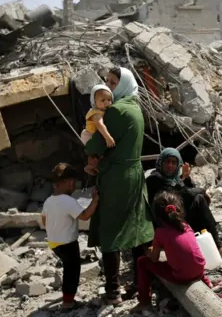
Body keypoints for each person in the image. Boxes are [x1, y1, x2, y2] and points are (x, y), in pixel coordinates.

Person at [85, 66, 153, 305]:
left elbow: (94, 146)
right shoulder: (136, 108)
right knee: (135, 229)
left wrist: (91, 155)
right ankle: (140, 283)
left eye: (113, 83)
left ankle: (113, 291)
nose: (109, 88)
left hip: (116, 177)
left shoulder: (115, 111)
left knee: (110, 230)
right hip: (135, 173)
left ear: (123, 83)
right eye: (107, 82)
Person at [132, 191, 212, 312]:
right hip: (200, 270)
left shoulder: (160, 232)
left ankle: (144, 301)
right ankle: (207, 281)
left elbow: (153, 259)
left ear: (157, 215)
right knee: (190, 258)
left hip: (182, 277)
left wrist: (149, 251)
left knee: (142, 262)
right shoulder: (186, 225)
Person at [146, 148, 222, 259]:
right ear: (161, 162)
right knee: (199, 197)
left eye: (174, 162)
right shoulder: (154, 179)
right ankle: (216, 245)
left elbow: (188, 192)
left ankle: (217, 245)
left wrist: (185, 178)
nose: (170, 165)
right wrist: (200, 189)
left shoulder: (175, 179)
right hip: (166, 220)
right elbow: (177, 194)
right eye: (167, 161)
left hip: (180, 215)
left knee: (199, 200)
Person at [40, 163, 99, 310]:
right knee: (72, 271)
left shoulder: (49, 200)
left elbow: (43, 220)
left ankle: (67, 296)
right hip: (68, 243)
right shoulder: (68, 201)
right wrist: (95, 201)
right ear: (70, 182)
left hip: (54, 243)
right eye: (73, 183)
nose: (74, 186)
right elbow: (85, 216)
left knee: (68, 268)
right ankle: (68, 301)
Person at [81, 84, 115, 176]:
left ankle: (92, 166)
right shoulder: (96, 113)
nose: (107, 103)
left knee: (95, 155)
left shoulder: (102, 111)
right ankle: (91, 166)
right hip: (89, 135)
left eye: (109, 100)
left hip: (92, 134)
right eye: (103, 100)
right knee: (99, 152)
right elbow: (100, 125)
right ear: (94, 102)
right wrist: (108, 137)